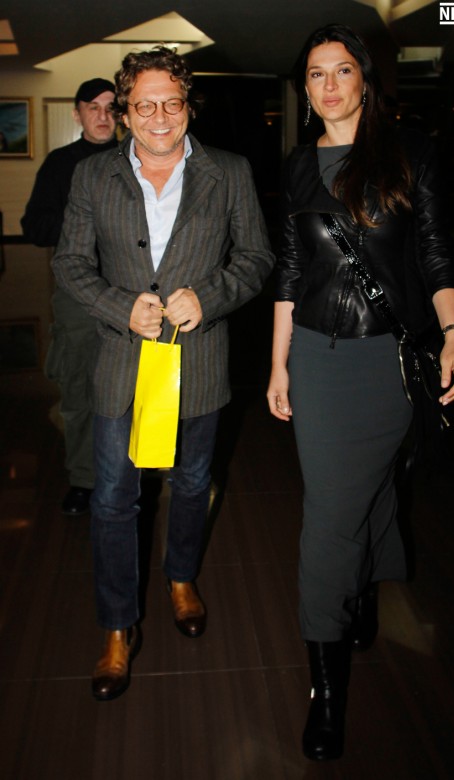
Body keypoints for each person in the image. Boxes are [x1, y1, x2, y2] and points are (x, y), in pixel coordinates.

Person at [267, 24, 454, 762]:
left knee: (375, 482)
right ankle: (328, 691)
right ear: (305, 88)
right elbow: (291, 272)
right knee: (330, 514)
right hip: (318, 361)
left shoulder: (409, 153)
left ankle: (363, 588)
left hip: (389, 358)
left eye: (342, 70)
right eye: (315, 73)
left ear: (365, 80)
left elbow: (435, 252)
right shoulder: (297, 166)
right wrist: (278, 364)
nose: (329, 85)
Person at [52, 46, 274, 701]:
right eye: (143, 105)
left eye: (170, 103)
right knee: (113, 500)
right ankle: (117, 625)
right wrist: (119, 306)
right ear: (124, 111)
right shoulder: (92, 175)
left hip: (198, 363)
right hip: (122, 364)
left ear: (187, 106)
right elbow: (70, 263)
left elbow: (257, 258)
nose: (158, 117)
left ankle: (181, 576)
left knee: (193, 482)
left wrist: (211, 295)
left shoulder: (229, 172)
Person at [21, 78, 118, 516]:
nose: (103, 115)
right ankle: (84, 479)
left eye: (111, 107)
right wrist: (84, 218)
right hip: (78, 297)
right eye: (92, 107)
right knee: (78, 391)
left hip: (131, 294)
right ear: (77, 114)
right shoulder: (60, 164)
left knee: (134, 390)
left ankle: (133, 473)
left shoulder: (136, 158)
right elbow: (34, 227)